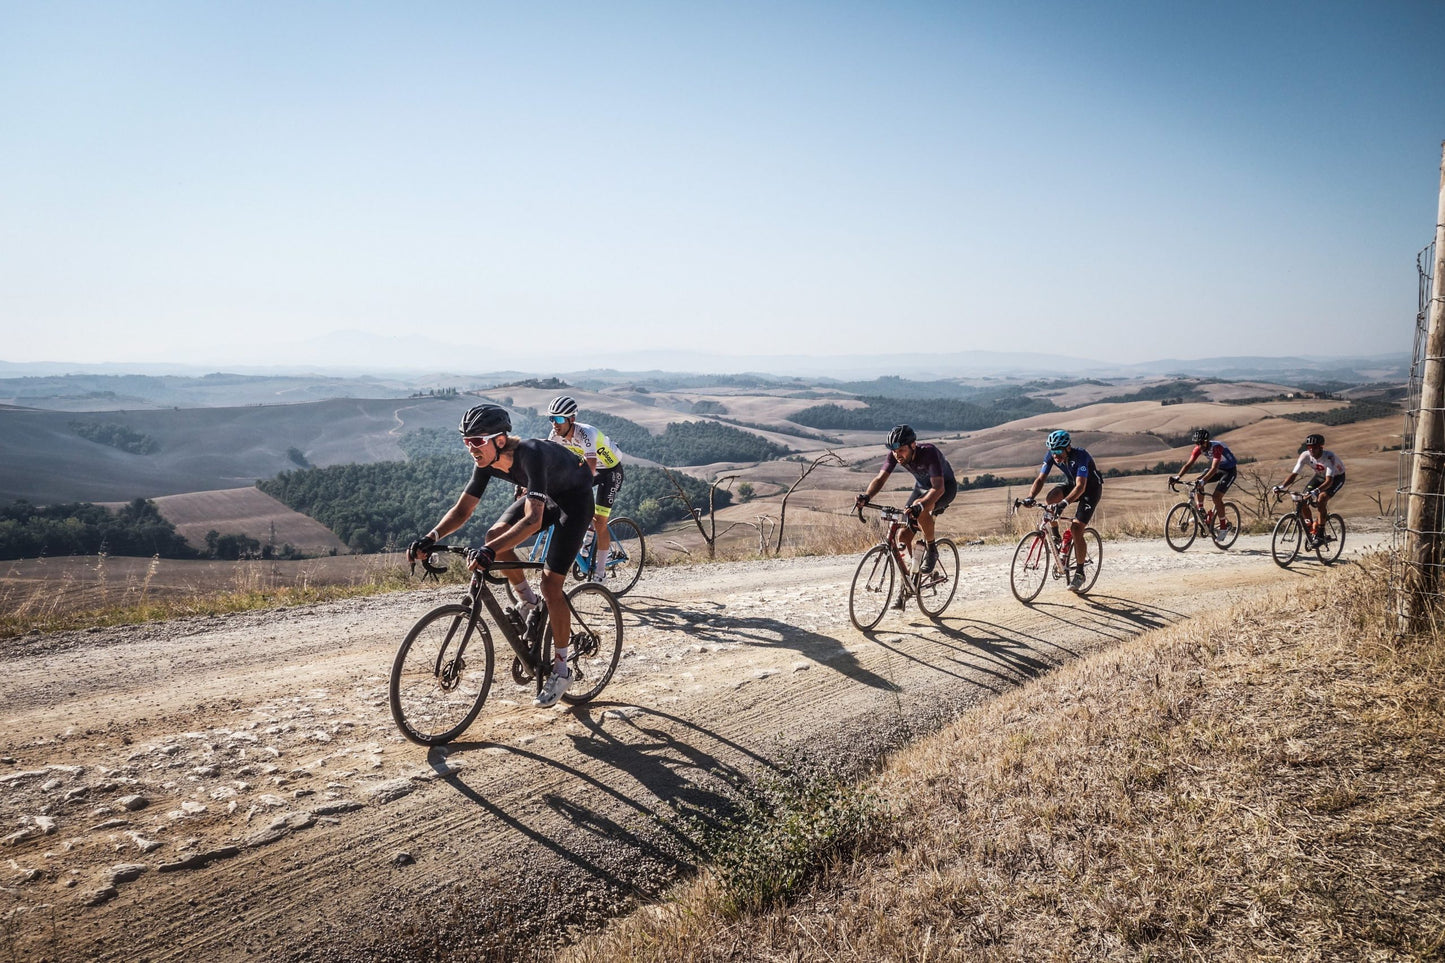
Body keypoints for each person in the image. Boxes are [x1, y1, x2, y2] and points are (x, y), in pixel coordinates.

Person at [407, 404, 595, 708]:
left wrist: (490, 553)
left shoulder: (531, 454)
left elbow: (533, 520)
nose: (471, 449)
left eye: (477, 442)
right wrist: (430, 537)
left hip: (575, 502)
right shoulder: (486, 463)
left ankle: (561, 669)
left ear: (500, 440)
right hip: (546, 495)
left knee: (551, 586)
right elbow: (463, 509)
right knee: (494, 536)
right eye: (467, 442)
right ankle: (527, 600)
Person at [854, 425, 957, 596]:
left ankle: (932, 550)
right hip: (921, 488)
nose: (897, 455)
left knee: (920, 507)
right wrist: (866, 496)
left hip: (944, 488)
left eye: (901, 450)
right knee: (902, 536)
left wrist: (921, 506)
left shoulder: (929, 452)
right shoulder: (895, 454)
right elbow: (880, 479)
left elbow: (938, 488)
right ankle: (910, 583)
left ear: (913, 445)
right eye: (894, 451)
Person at [544, 395, 624, 582]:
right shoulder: (555, 435)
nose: (554, 424)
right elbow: (549, 462)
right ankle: (588, 543)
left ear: (572, 419)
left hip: (610, 471)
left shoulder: (586, 434)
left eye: (559, 419)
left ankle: (601, 573)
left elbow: (590, 468)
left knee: (600, 521)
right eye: (551, 418)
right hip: (589, 469)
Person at [1021, 429, 1104, 592]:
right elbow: (1040, 479)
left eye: (1058, 451)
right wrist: (1030, 496)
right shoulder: (1052, 455)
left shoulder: (1081, 456)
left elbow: (1081, 487)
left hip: (1090, 490)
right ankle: (1056, 535)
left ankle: (1080, 573)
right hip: (1073, 485)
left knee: (1076, 528)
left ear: (1068, 448)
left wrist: (1064, 503)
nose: (1055, 455)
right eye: (1053, 452)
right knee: (1051, 499)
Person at [1273, 433, 1346, 549]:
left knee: (1321, 499)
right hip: (1319, 476)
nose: (1311, 449)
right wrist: (1282, 487)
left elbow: (1329, 482)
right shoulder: (1305, 455)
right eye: (1309, 447)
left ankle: (1321, 534)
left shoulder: (1329, 457)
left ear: (1321, 447)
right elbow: (1294, 474)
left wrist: (1316, 491)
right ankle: (1311, 527)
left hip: (1335, 478)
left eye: (1315, 447)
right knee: (1301, 499)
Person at [1170, 428, 1238, 531]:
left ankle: (1223, 527)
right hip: (1218, 469)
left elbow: (1214, 468)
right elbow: (1188, 464)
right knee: (1197, 482)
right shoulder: (1198, 448)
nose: (1200, 446)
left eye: (1201, 443)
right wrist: (1177, 477)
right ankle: (1201, 510)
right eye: (1197, 443)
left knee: (1216, 497)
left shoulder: (1217, 447)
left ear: (1207, 441)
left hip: (1229, 471)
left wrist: (1204, 481)